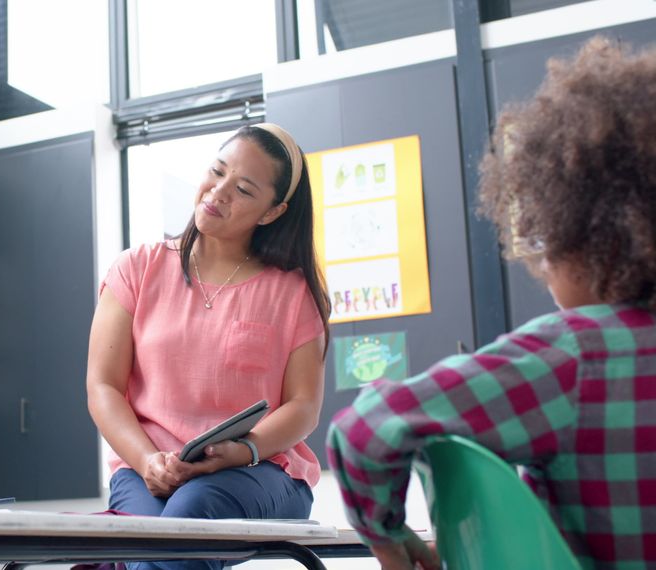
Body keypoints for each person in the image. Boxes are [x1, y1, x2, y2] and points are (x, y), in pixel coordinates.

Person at [327, 36, 656, 570]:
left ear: (587, 231)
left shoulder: (577, 357)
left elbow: (366, 429)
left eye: (546, 242)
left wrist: (390, 540)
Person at [87, 123, 332, 570]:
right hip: (146, 470)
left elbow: (303, 407)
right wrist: (147, 462)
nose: (217, 192)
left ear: (273, 212)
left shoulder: (292, 293)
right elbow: (103, 386)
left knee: (188, 517)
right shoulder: (135, 269)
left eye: (242, 189)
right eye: (216, 172)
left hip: (261, 471)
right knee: (161, 544)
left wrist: (244, 450)